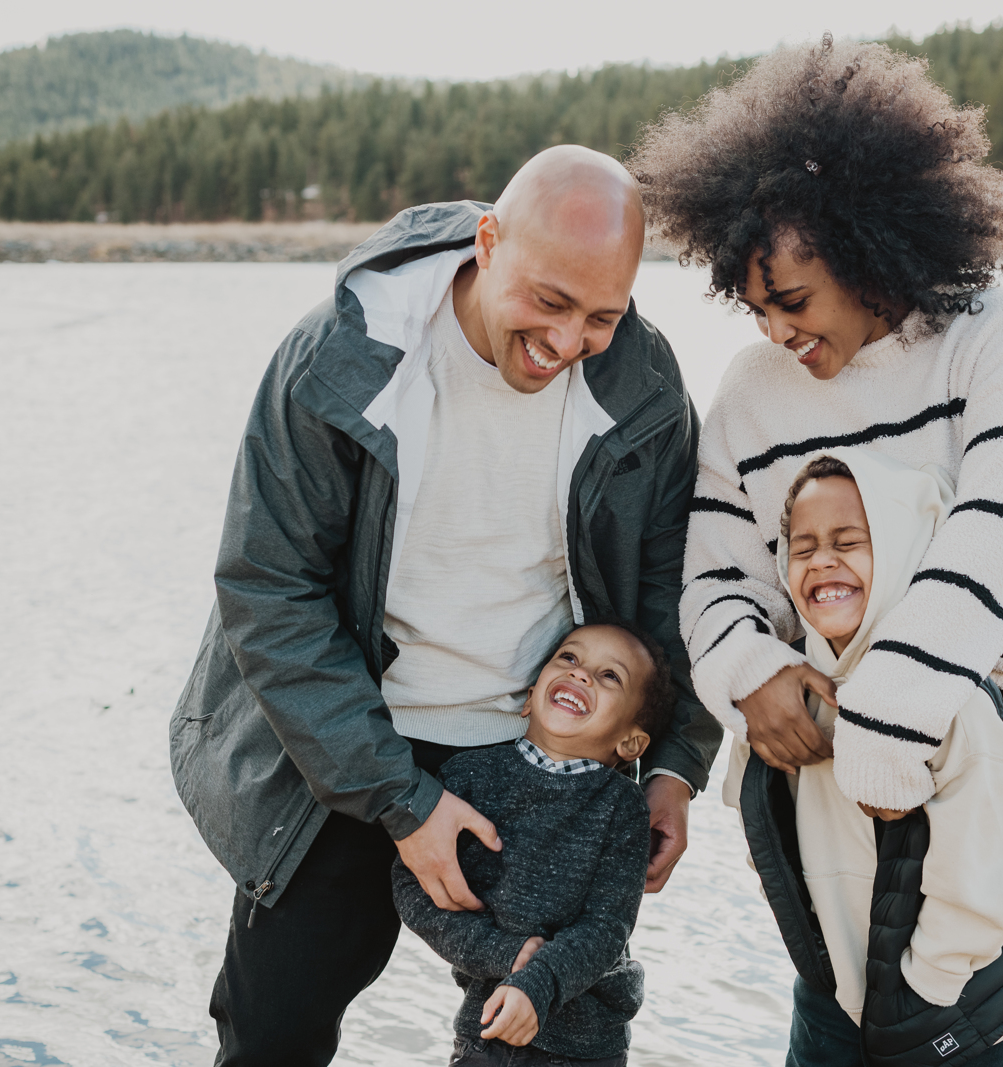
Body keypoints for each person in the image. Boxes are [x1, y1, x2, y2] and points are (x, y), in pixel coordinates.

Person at [169, 145, 722, 1067]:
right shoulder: (340, 360)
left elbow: (675, 586)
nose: (567, 342)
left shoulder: (643, 381)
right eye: (548, 302)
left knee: (560, 1027)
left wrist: (674, 762)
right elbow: (269, 591)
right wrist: (404, 802)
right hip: (343, 746)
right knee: (274, 1035)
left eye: (601, 316)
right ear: (488, 241)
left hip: (538, 751)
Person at [630, 37, 1003, 1067]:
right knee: (847, 1029)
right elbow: (716, 577)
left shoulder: (1001, 334)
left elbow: (999, 524)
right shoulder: (748, 394)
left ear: (866, 247)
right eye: (755, 307)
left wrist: (897, 705)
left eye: (795, 302)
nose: (777, 332)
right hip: (839, 744)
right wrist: (751, 670)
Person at [726, 449, 1003, 1067]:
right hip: (834, 987)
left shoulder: (951, 700)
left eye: (851, 541)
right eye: (804, 547)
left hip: (952, 1000)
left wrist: (923, 989)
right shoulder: (791, 687)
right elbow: (757, 819)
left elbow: (978, 887)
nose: (823, 559)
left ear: (904, 549)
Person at [394, 620, 676, 1067]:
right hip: (488, 1029)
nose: (581, 674)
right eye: (569, 658)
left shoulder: (623, 806)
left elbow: (608, 926)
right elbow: (413, 888)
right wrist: (501, 953)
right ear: (528, 697)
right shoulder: (469, 776)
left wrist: (538, 981)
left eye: (610, 676)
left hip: (588, 1043)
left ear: (631, 741)